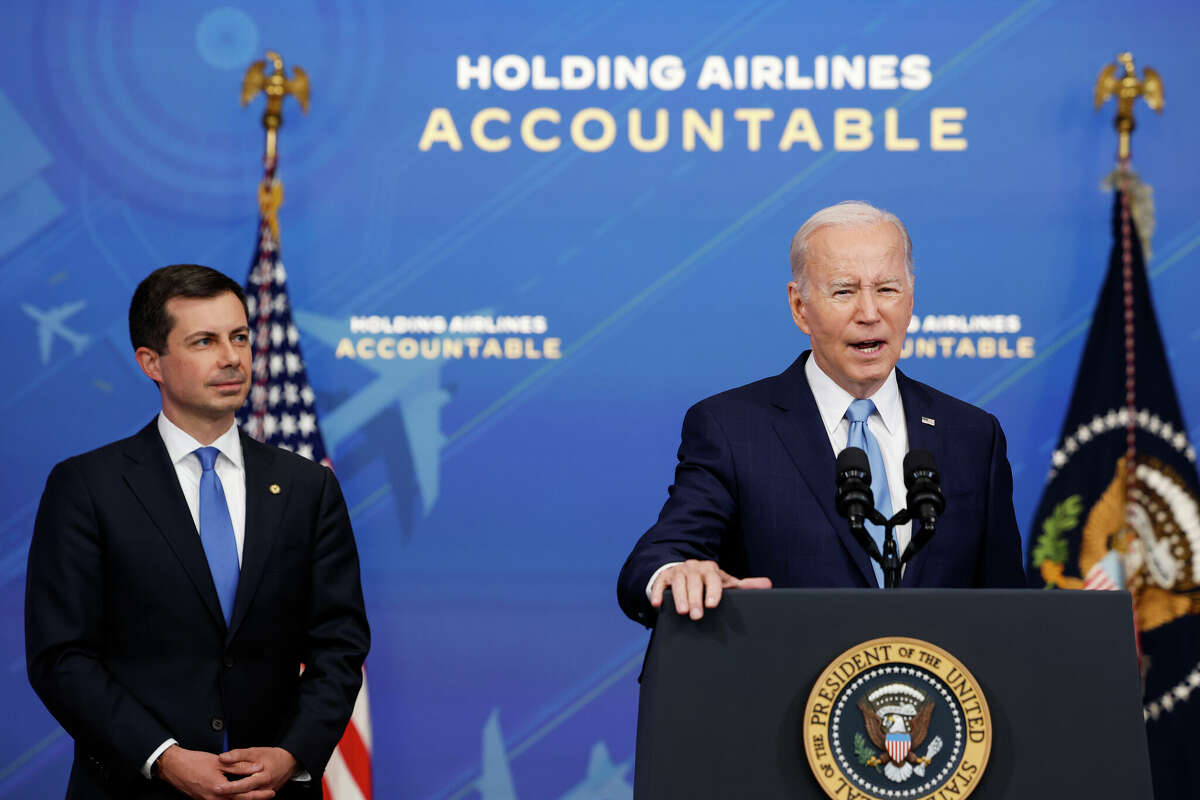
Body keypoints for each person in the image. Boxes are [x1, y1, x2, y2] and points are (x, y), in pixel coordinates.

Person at [25, 264, 370, 799]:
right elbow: (61, 657)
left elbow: (339, 645)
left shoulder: (306, 488)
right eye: (204, 341)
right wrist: (162, 757)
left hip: (271, 791)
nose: (232, 357)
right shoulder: (88, 487)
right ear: (151, 363)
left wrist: (291, 754)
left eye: (239, 337)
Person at [617, 201, 1025, 626]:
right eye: (844, 291)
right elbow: (659, 556)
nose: (870, 314)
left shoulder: (972, 436)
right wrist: (676, 573)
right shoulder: (732, 430)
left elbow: (1008, 610)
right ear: (799, 307)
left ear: (910, 299)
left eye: (887, 289)